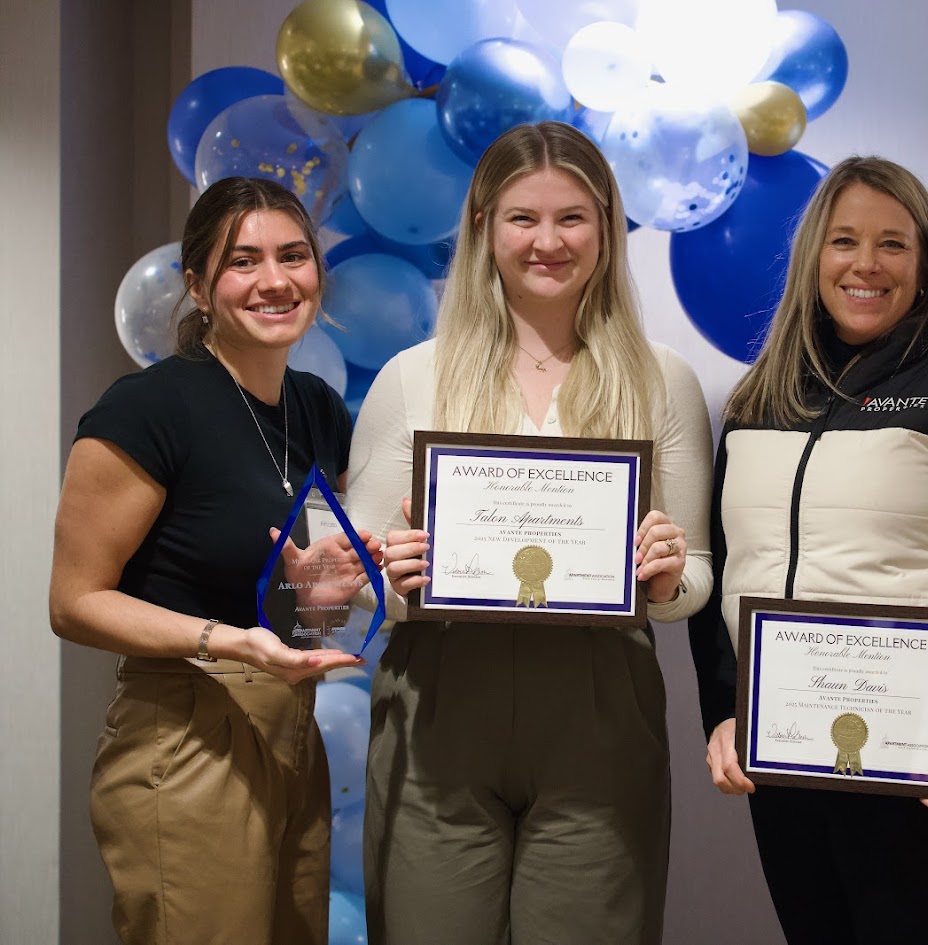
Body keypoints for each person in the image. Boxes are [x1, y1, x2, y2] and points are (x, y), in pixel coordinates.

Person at [344, 121, 712, 945]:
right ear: (482, 225)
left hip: (600, 709)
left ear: (607, 228)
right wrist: (390, 573)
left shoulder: (663, 381)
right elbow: (356, 576)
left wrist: (665, 575)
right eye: (522, 217)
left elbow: (696, 578)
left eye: (573, 217)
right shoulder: (413, 376)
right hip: (437, 704)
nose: (548, 241)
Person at [688, 155, 928, 944]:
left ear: (924, 266)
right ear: (814, 256)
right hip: (781, 755)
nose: (865, 264)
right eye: (845, 240)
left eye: (893, 244)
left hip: (919, 766)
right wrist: (720, 711)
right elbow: (720, 574)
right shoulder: (756, 404)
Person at [49, 176, 379, 944]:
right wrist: (226, 640)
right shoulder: (149, 407)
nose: (274, 280)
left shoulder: (317, 410)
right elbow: (73, 600)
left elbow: (286, 607)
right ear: (198, 286)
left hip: (293, 737)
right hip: (184, 735)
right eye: (243, 260)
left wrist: (316, 600)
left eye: (293, 256)